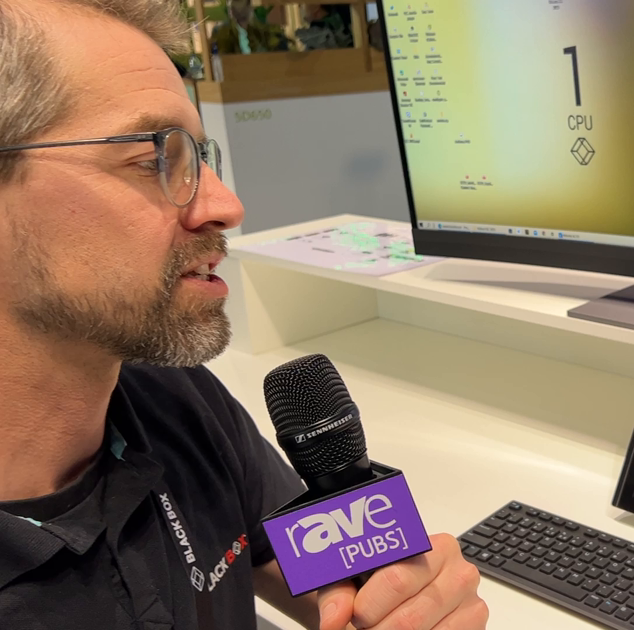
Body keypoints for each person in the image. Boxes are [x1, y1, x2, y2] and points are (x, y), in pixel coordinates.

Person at [0, 1, 489, 629]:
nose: (227, 205)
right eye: (153, 159)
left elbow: (317, 573)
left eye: (200, 158)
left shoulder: (176, 400)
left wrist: (405, 600)